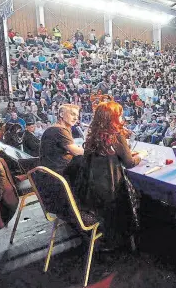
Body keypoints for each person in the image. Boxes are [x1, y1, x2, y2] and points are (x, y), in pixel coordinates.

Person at [76, 101, 147, 251]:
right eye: (120, 115)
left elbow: (107, 156)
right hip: (112, 196)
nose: (122, 118)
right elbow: (129, 163)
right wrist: (141, 155)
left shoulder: (93, 136)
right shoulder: (116, 136)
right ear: (112, 118)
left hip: (92, 194)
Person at [39, 104, 84, 182]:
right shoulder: (59, 130)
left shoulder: (59, 129)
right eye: (72, 114)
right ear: (61, 114)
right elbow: (76, 152)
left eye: (77, 115)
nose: (76, 118)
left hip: (56, 172)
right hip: (57, 176)